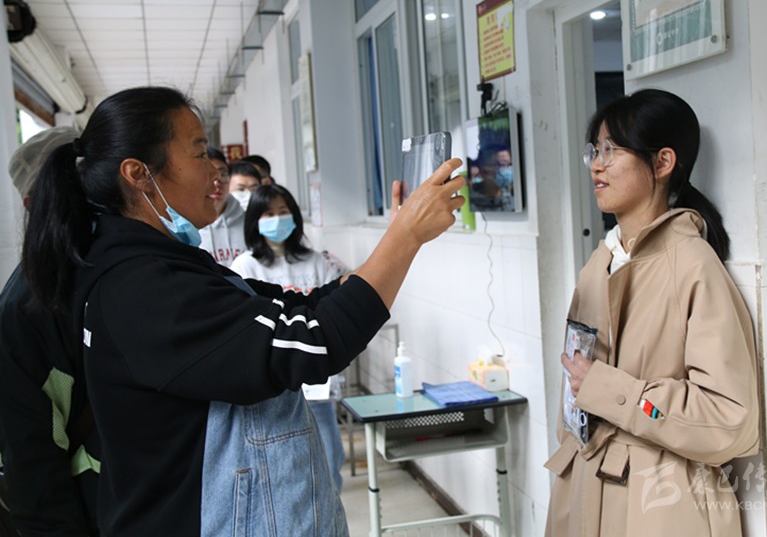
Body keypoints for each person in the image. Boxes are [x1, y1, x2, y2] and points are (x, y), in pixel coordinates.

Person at [21, 86, 464, 536]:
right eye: (199, 153)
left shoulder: (164, 265)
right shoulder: (139, 288)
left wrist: (398, 234)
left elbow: (301, 308)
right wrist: (404, 238)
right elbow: (313, 342)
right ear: (139, 174)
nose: (216, 171)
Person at [544, 89, 759, 537]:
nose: (596, 165)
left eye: (610, 150)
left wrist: (612, 391)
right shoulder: (598, 263)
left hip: (659, 505)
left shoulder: (693, 264)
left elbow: (729, 419)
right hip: (584, 488)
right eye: (594, 151)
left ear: (662, 162)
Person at [0, 127, 100, 536]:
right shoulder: (26, 307)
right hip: (92, 510)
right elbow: (32, 457)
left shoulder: (125, 267)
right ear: (31, 203)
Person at [231, 184, 348, 490]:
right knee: (285, 468)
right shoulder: (245, 266)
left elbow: (332, 311)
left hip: (316, 383)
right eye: (268, 214)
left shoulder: (315, 261)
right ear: (255, 220)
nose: (277, 219)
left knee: (330, 457)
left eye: (283, 212)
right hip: (275, 385)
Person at [198, 146, 246, 266]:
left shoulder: (247, 221)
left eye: (222, 174)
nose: (216, 183)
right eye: (209, 175)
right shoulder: (189, 227)